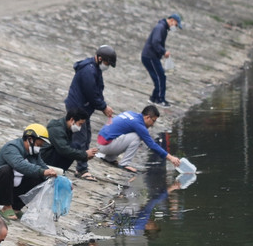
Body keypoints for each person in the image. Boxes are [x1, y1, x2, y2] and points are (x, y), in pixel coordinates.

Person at [0, 123, 57, 221]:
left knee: (39, 177)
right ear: (30, 139)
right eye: (38, 144)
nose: (39, 148)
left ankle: (16, 207)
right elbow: (19, 165)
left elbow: (43, 167)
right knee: (6, 171)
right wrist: (42, 171)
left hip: (13, 191)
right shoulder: (11, 147)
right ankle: (7, 207)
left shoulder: (34, 153)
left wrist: (60, 179)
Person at [64, 45, 117, 182]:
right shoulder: (89, 70)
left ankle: (79, 167)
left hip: (83, 109)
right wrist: (104, 107)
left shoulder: (95, 68)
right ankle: (81, 169)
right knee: (80, 139)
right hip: (77, 109)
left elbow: (96, 90)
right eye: (107, 63)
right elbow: (92, 94)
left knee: (85, 137)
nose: (107, 66)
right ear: (99, 58)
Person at [96, 105, 181, 173]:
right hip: (105, 145)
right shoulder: (138, 124)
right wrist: (171, 158)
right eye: (153, 121)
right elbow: (152, 144)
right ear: (147, 117)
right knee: (136, 137)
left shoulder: (131, 114)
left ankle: (109, 159)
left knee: (126, 135)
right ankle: (124, 164)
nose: (153, 124)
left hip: (102, 142)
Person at [141, 13, 183, 108]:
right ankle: (160, 100)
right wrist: (164, 52)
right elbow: (155, 42)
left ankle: (154, 98)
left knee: (159, 77)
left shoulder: (162, 27)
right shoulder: (161, 28)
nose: (175, 27)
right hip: (150, 56)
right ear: (172, 20)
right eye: (176, 25)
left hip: (150, 56)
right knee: (161, 77)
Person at [40, 107, 98, 173]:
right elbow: (64, 149)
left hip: (52, 156)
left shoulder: (67, 128)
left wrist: (85, 155)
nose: (80, 127)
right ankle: (56, 172)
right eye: (80, 124)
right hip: (44, 158)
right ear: (72, 120)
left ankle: (60, 172)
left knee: (75, 147)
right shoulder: (57, 129)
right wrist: (85, 154)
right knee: (72, 149)